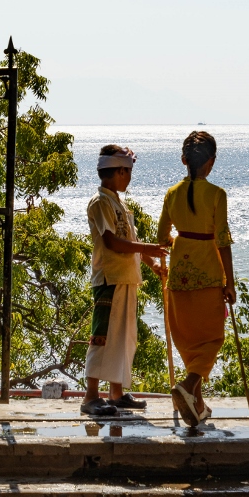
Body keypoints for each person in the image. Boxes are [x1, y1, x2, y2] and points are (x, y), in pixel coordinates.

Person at [82, 144, 167, 417]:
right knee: (102, 337)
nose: (129, 178)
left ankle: (116, 394)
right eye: (127, 172)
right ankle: (90, 397)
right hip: (110, 278)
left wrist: (151, 263)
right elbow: (112, 241)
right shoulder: (100, 202)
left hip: (126, 278)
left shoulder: (118, 202)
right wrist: (147, 249)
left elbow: (128, 240)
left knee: (123, 338)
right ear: (119, 171)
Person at [157, 130, 236, 427]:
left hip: (179, 276)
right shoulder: (217, 194)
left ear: (184, 160)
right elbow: (223, 240)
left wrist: (180, 240)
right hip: (208, 275)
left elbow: (161, 237)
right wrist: (230, 282)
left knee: (189, 340)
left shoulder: (171, 193)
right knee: (212, 338)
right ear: (211, 162)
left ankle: (197, 405)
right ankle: (189, 385)